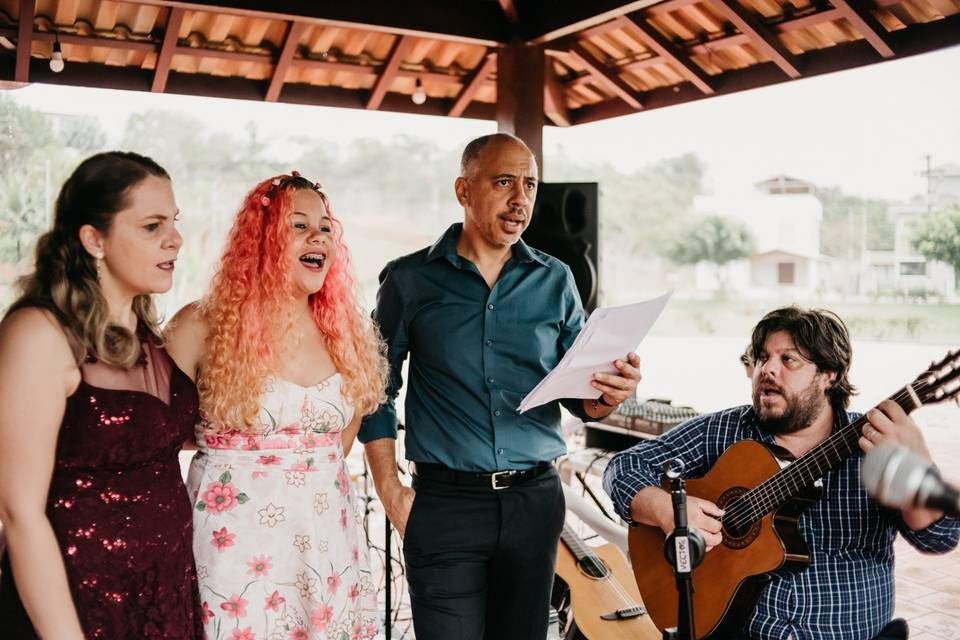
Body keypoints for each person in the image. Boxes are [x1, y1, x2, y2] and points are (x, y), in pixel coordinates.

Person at [359, 133, 642, 640]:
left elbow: (580, 395)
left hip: (534, 502)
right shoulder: (408, 280)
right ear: (464, 190)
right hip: (445, 506)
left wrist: (607, 396)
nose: (521, 199)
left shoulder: (556, 281)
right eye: (504, 182)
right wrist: (389, 488)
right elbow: (375, 389)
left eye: (529, 184)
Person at [603, 306, 960, 640]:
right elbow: (623, 467)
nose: (767, 370)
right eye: (761, 359)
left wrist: (918, 468)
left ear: (828, 374)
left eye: (787, 359)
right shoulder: (723, 431)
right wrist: (667, 511)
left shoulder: (876, 445)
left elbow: (938, 538)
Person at [165, 173, 388, 640]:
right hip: (231, 555)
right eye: (298, 226)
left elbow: (337, 444)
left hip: (326, 550)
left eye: (325, 228)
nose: (318, 237)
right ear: (261, 241)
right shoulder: (202, 326)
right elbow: (158, 433)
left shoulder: (347, 334)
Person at [0, 151, 201, 638]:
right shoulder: (39, 334)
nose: (174, 239)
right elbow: (17, 512)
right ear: (94, 239)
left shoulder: (147, 336)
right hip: (77, 601)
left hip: (165, 594)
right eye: (151, 226)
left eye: (173, 222)